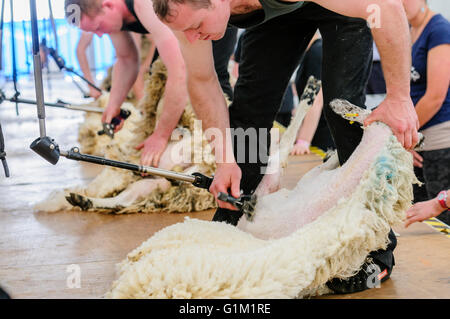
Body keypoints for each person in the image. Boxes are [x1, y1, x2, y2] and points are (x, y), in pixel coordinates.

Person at [153, 0, 420, 294]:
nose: (191, 37)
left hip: (343, 9)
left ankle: (376, 246)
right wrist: (226, 162)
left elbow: (385, 7)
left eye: (196, 27)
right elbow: (203, 80)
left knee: (341, 110)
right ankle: (236, 214)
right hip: (277, 14)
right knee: (250, 110)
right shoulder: (181, 10)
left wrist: (399, 97)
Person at [401, 0, 450, 226]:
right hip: (417, 139)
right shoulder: (409, 29)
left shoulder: (439, 29)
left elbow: (435, 96)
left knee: (442, 222)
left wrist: (405, 135)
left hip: (439, 140)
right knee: (420, 219)